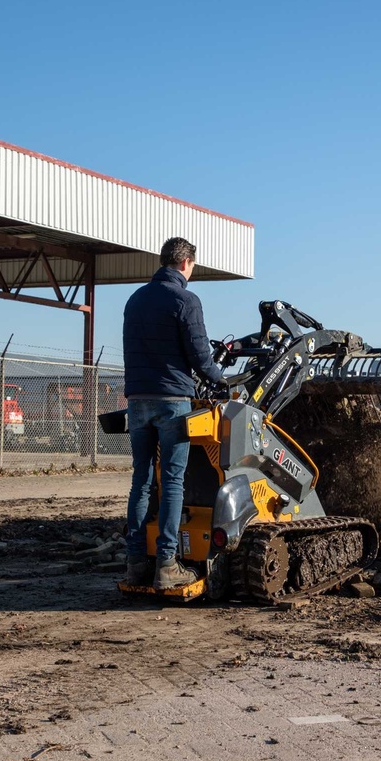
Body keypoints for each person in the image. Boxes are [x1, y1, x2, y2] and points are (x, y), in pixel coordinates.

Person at [122, 236, 226, 589]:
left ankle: (136, 563)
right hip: (172, 401)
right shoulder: (186, 300)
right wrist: (220, 380)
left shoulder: (135, 300)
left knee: (141, 481)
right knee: (172, 481)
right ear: (186, 263)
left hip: (138, 399)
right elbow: (199, 354)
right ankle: (167, 564)